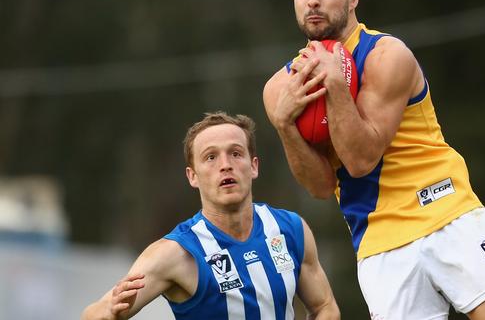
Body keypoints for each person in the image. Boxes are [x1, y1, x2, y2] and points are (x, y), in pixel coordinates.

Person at [263, 0, 485, 319]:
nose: (313, 0)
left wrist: (337, 86)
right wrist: (284, 126)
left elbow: (361, 159)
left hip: (446, 211)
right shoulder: (281, 88)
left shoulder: (387, 55)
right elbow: (321, 187)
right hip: (379, 242)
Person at [81, 111, 340, 320]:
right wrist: (109, 313)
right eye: (211, 157)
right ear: (192, 176)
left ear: (254, 166)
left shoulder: (290, 229)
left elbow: (325, 306)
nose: (225, 164)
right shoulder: (175, 253)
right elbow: (95, 312)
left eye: (236, 153)